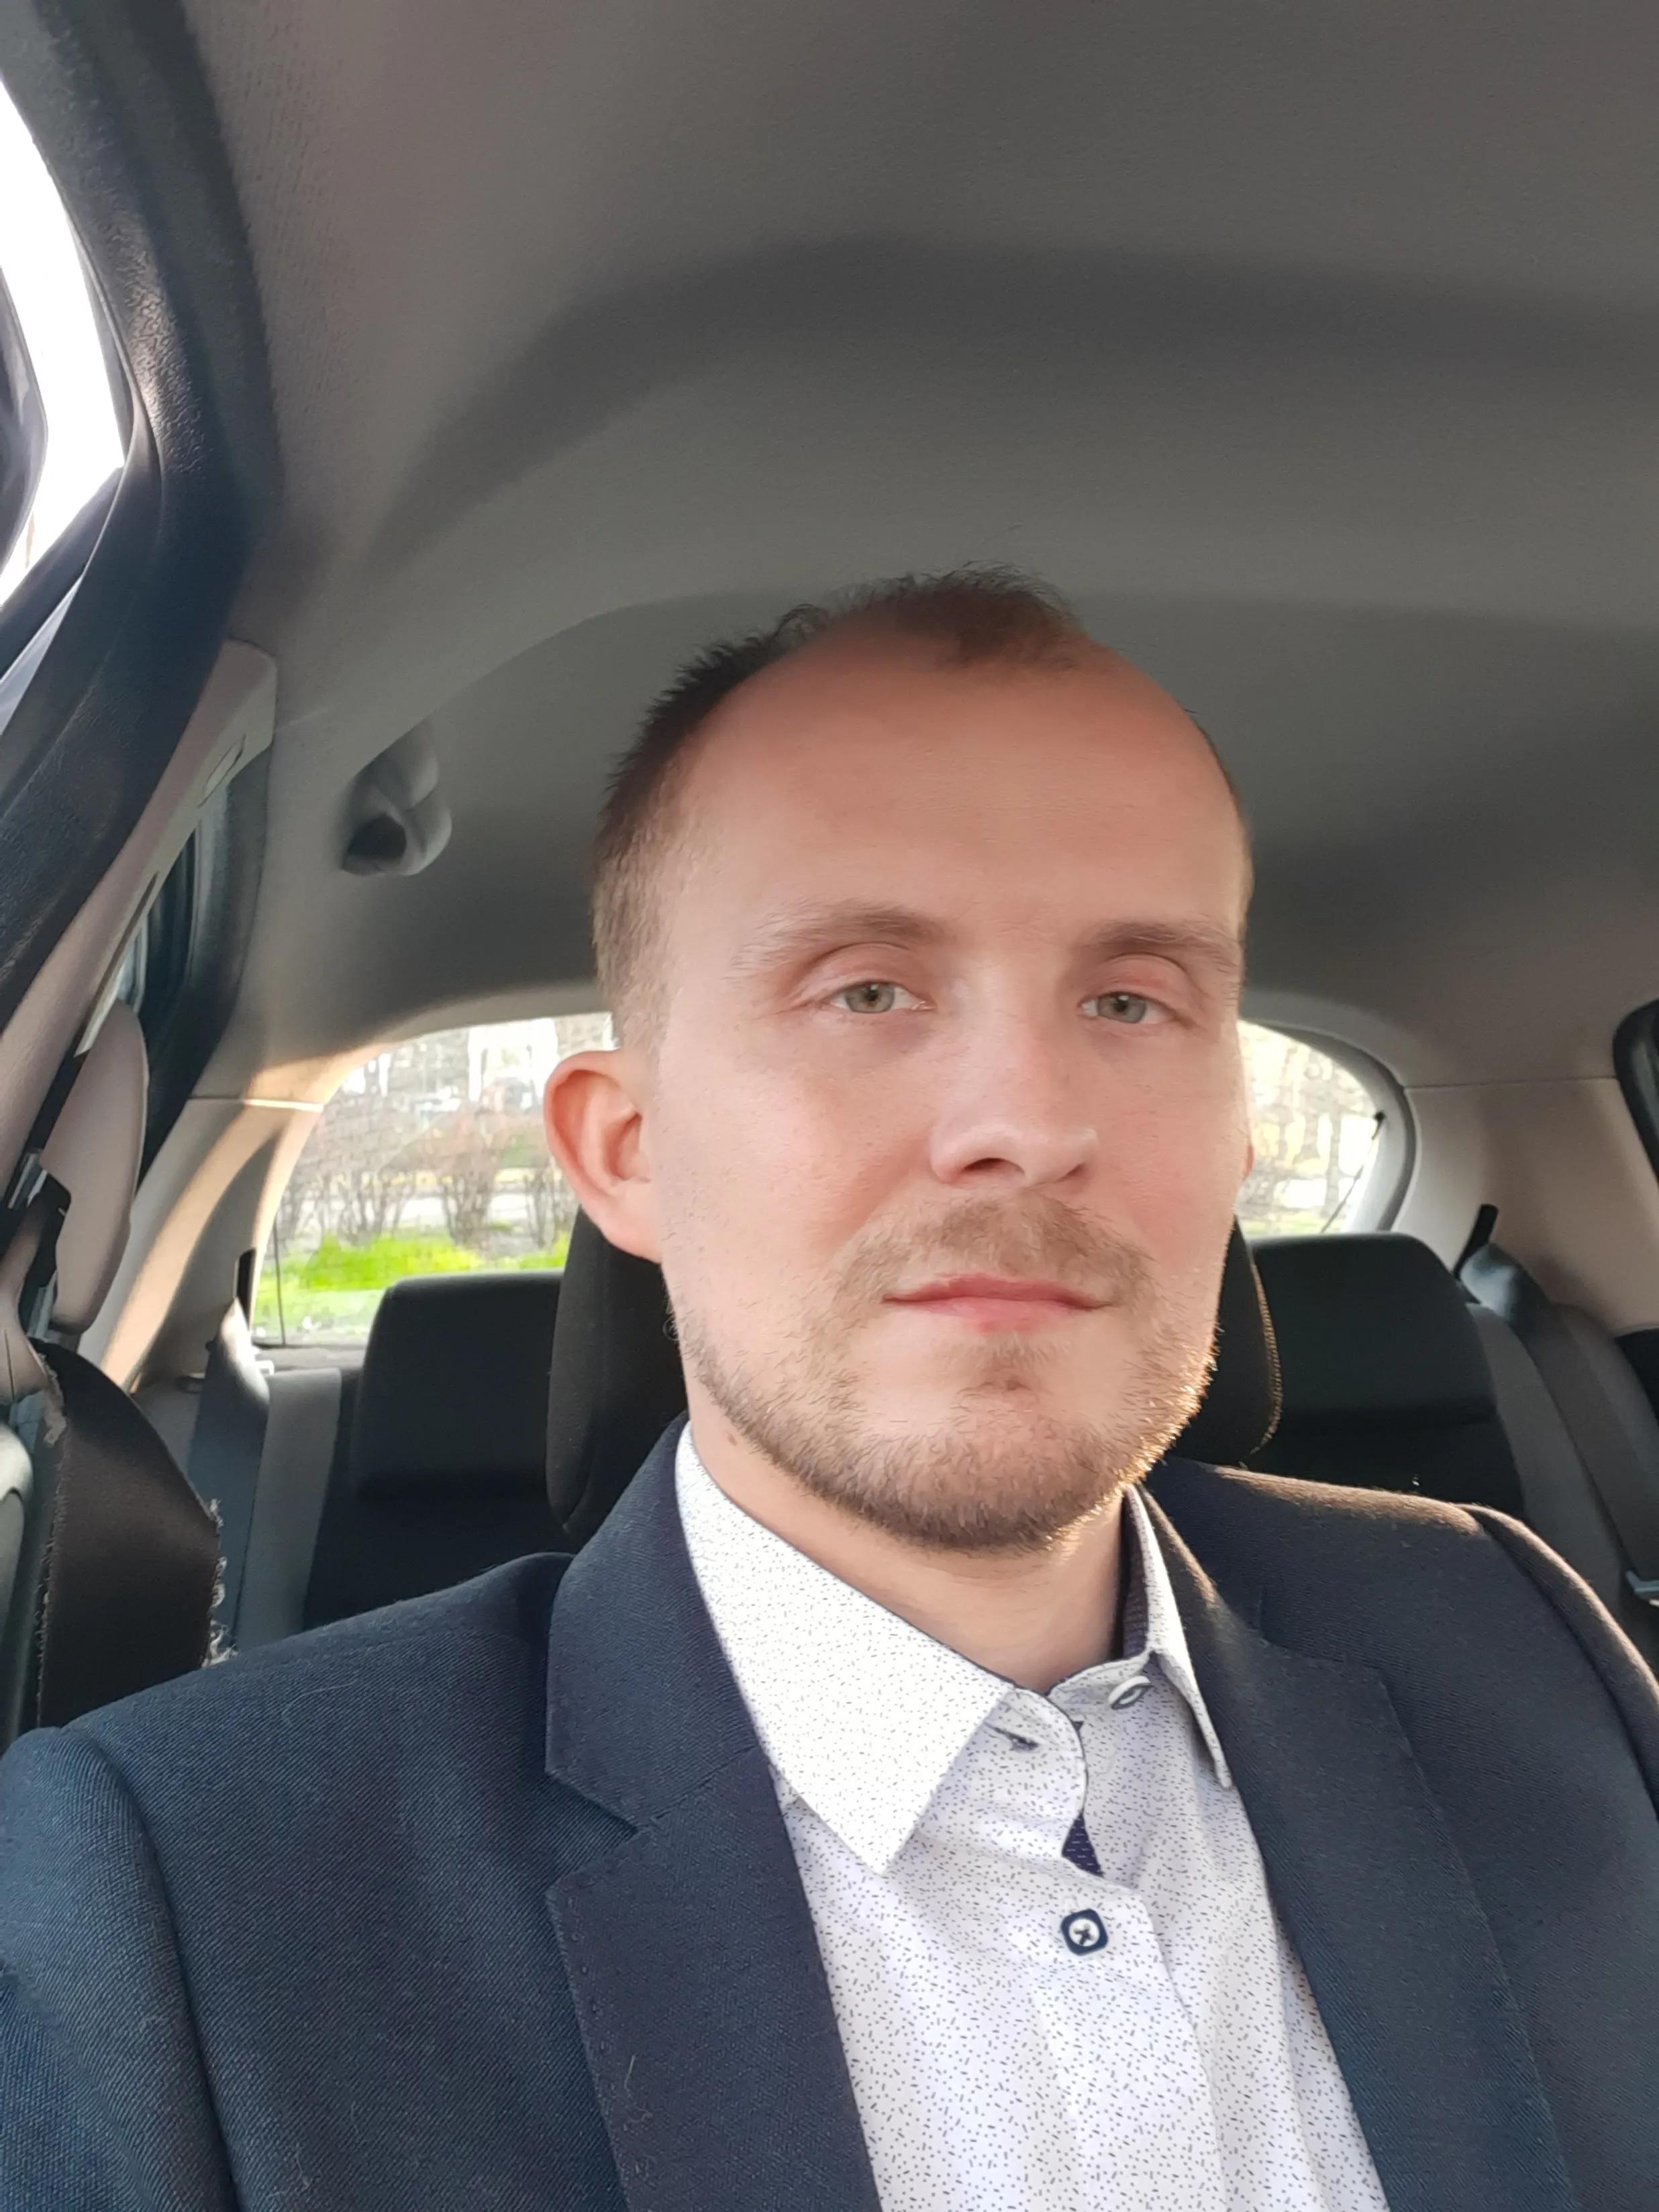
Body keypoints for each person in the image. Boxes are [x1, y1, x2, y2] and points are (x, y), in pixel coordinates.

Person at [3, 570, 1658, 2212]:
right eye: (867, 989)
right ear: (624, 1152)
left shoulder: (1522, 1641)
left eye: (1132, 999)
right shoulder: (185, 1888)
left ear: (1235, 1138)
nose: (1028, 1121)